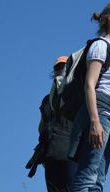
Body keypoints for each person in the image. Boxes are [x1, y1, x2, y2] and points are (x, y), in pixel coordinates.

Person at [70, 1, 110, 192]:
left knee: (98, 181)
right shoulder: (100, 45)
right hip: (101, 114)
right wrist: (95, 121)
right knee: (88, 176)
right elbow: (90, 85)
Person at [38, 56, 77, 192]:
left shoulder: (77, 94)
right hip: (51, 153)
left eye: (63, 67)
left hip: (72, 153)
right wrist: (43, 149)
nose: (60, 70)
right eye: (57, 68)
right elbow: (42, 124)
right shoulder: (47, 100)